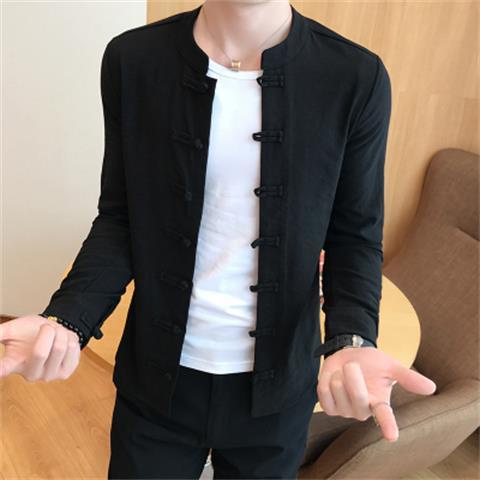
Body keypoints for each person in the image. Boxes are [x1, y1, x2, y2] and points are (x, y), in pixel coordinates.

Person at [0, 1, 437, 478]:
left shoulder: (354, 76)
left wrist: (351, 337)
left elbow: (354, 236)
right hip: (157, 382)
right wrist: (68, 318)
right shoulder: (133, 59)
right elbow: (122, 217)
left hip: (277, 394)